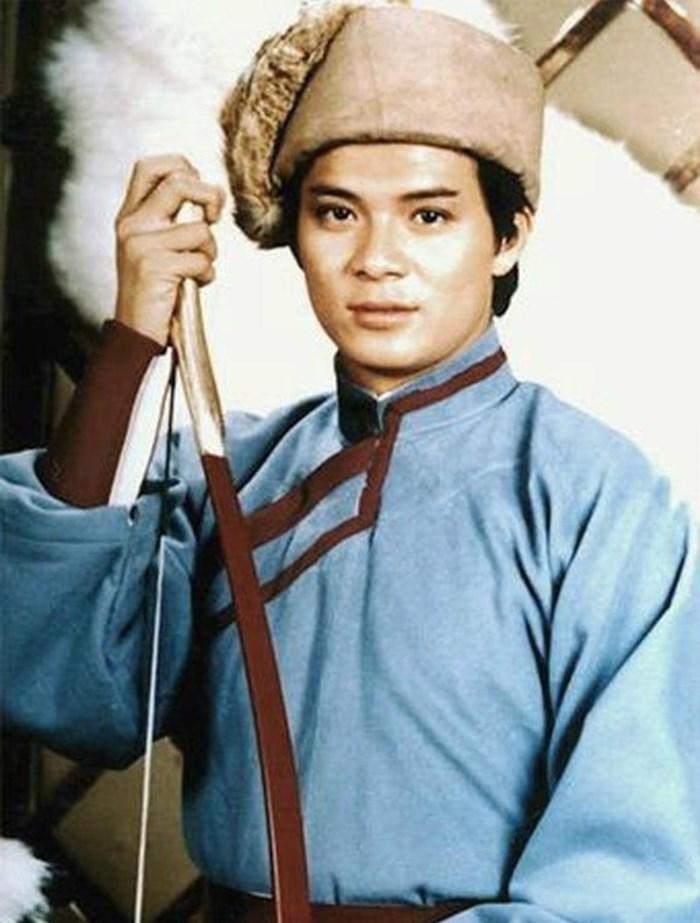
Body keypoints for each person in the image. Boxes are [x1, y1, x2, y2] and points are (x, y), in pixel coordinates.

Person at [2, 4, 700, 921]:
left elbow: (635, 880)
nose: (377, 260)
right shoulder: (235, 470)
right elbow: (65, 686)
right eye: (337, 213)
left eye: (429, 215)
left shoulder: (599, 498)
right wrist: (133, 337)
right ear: (295, 235)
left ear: (509, 236)